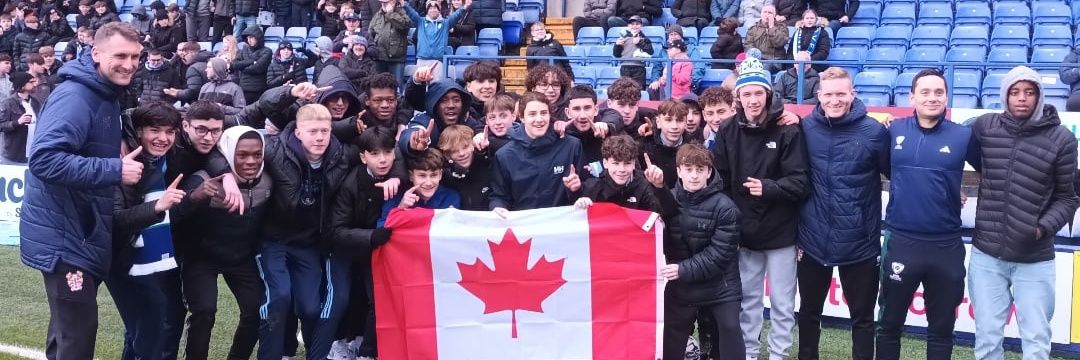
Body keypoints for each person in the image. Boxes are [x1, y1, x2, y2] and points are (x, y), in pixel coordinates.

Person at [20, 22, 141, 359]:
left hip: (80, 231)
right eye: (120, 56)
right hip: (66, 237)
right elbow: (44, 160)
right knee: (77, 337)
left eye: (135, 57)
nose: (129, 64)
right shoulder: (76, 96)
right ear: (96, 53)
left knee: (67, 334)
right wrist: (114, 169)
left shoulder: (104, 93)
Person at [967, 65, 1080, 360]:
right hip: (987, 255)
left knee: (1036, 340)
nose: (1021, 98)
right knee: (987, 338)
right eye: (1015, 92)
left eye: (1029, 92)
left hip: (1034, 258)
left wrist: (1040, 229)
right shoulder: (985, 127)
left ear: (1039, 96)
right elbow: (953, 147)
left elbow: (1068, 198)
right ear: (1005, 95)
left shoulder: (1062, 139)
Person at [872, 69, 974, 360]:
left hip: (946, 246)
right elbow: (884, 169)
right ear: (912, 97)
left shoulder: (963, 135)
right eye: (925, 92)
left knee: (941, 330)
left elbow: (992, 168)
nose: (932, 98)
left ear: (947, 97)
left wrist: (949, 187)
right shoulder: (893, 130)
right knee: (889, 325)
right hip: (901, 242)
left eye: (939, 92)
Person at [712, 57, 808, 360]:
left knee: (782, 303)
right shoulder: (727, 129)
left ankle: (778, 355)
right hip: (744, 234)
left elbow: (800, 183)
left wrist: (768, 188)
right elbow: (720, 182)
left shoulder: (787, 128)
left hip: (781, 234)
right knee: (749, 301)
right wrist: (730, 227)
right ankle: (749, 354)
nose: (753, 100)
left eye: (758, 93)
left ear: (768, 94)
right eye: (747, 93)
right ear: (738, 97)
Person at [797, 67, 889, 360]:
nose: (834, 100)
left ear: (852, 94)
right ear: (819, 95)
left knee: (862, 319)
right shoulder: (804, 128)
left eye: (841, 94)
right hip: (813, 240)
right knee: (808, 313)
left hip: (860, 243)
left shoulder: (874, 132)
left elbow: (900, 174)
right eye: (829, 94)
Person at [254, 103, 351, 360]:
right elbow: (231, 150)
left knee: (310, 308)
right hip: (273, 241)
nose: (319, 138)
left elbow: (380, 157)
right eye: (312, 131)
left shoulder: (340, 156)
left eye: (324, 131)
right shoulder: (274, 150)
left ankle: (312, 352)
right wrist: (227, 177)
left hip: (307, 243)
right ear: (298, 132)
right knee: (279, 298)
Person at [107, 102, 188, 360]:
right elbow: (115, 221)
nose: (163, 138)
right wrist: (157, 206)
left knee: (148, 325)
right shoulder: (123, 161)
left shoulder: (168, 156)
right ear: (139, 131)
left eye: (170, 132)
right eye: (155, 130)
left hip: (155, 255)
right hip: (124, 257)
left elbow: (225, 122)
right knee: (151, 326)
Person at [181, 125, 268, 360]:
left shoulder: (268, 180)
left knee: (256, 310)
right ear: (228, 153)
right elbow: (175, 214)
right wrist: (195, 197)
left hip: (241, 256)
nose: (251, 161)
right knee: (204, 310)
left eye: (257, 154)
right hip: (202, 257)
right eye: (242, 155)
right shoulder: (202, 179)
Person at [660, 142, 743, 360]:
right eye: (688, 169)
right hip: (680, 287)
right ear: (679, 171)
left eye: (700, 169)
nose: (694, 176)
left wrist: (681, 270)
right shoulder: (667, 200)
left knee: (731, 330)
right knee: (667, 339)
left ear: (709, 172)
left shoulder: (726, 207)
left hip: (721, 287)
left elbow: (719, 255)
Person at [328, 127, 399, 359]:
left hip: (382, 251)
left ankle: (368, 350)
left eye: (387, 152)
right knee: (343, 298)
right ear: (363, 156)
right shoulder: (350, 184)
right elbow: (337, 230)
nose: (383, 160)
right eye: (375, 154)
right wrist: (371, 236)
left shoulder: (400, 175)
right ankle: (339, 343)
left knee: (379, 300)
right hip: (352, 249)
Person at [489, 91, 584, 216]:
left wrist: (577, 188)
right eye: (532, 114)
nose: (539, 119)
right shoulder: (504, 155)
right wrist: (497, 207)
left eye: (543, 113)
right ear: (522, 117)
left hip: (562, 224)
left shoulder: (571, 146)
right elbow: (499, 196)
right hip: (523, 225)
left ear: (550, 115)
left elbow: (585, 191)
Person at [570, 134, 675, 215]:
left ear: (634, 163)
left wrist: (659, 186)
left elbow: (667, 213)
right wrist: (579, 202)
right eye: (616, 163)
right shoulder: (593, 186)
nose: (622, 170)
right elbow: (576, 219)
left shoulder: (645, 183)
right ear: (605, 163)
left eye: (627, 163)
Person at [399, 78, 484, 158]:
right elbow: (410, 133)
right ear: (435, 105)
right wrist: (412, 144)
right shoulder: (426, 121)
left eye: (456, 100)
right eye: (444, 101)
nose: (451, 105)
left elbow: (479, 128)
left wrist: (480, 136)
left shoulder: (466, 119)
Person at [377, 148, 461, 225]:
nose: (428, 183)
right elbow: (381, 229)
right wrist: (401, 208)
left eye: (433, 175)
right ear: (411, 176)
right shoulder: (396, 196)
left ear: (440, 175)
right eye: (422, 176)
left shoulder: (451, 197)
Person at [561, 85, 624, 173]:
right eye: (576, 109)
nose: (582, 115)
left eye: (587, 108)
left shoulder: (610, 133)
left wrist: (608, 126)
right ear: (567, 112)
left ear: (596, 110)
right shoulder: (560, 135)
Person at [405, 0, 471, 82]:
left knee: (436, 86)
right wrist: (403, 4)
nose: (433, 10)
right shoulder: (420, 21)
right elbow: (411, 12)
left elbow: (456, 16)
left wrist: (464, 7)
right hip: (422, 60)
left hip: (438, 62)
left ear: (439, 10)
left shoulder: (445, 23)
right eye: (430, 8)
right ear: (427, 11)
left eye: (435, 8)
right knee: (420, 85)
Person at [436, 124, 493, 211]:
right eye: (454, 150)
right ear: (447, 155)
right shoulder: (444, 177)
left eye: (465, 147)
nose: (461, 153)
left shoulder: (488, 164)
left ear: (473, 145)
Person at [638, 100, 689, 189]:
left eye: (680, 120)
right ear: (658, 122)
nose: (674, 126)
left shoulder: (693, 148)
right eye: (668, 120)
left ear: (686, 123)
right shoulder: (643, 147)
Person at [369, 0, 410, 85]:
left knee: (396, 87)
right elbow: (370, 33)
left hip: (396, 59)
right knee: (379, 86)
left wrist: (390, 13)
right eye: (382, 2)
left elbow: (405, 26)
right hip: (379, 58)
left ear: (393, 2)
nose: (384, 4)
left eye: (386, 2)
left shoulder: (401, 12)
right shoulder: (377, 15)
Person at [0, 72, 38, 164]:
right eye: (31, 82)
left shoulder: (35, 102)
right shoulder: (8, 103)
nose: (35, 84)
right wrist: (17, 122)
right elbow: (1, 125)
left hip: (33, 152)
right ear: (22, 85)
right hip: (13, 154)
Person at [234, 26, 272, 104]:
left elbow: (257, 68)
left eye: (251, 37)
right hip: (244, 88)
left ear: (258, 37)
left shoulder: (267, 51)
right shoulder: (243, 50)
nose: (249, 40)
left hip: (259, 89)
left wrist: (242, 67)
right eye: (247, 38)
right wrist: (251, 62)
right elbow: (235, 64)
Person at [613, 16, 653, 90]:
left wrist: (639, 42)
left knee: (639, 89)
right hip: (625, 67)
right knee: (625, 90)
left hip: (639, 68)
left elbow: (650, 52)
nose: (634, 26)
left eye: (637, 24)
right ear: (628, 26)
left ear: (641, 26)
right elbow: (616, 54)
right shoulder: (622, 38)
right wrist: (617, 45)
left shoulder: (645, 39)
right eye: (632, 24)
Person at [745, 5, 788, 71]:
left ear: (774, 15)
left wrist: (771, 27)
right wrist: (756, 57)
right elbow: (748, 45)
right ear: (761, 14)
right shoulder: (753, 29)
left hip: (775, 61)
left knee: (766, 66)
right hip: (757, 60)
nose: (767, 15)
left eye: (770, 13)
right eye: (765, 12)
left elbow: (780, 43)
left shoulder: (782, 27)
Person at [1059, 46, 1080, 112]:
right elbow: (1064, 76)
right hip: (1078, 93)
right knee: (1075, 102)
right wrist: (1078, 71)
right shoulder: (1075, 55)